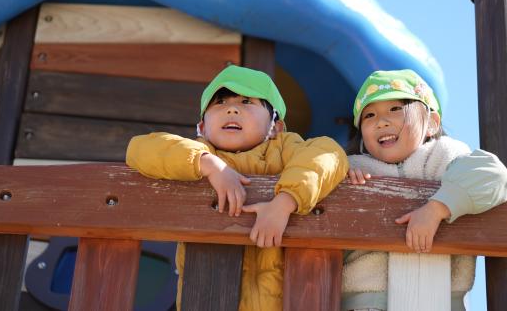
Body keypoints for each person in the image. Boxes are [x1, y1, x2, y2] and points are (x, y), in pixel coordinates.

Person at [126, 65, 348, 311]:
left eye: (246, 101)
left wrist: (285, 202)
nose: (231, 109)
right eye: (220, 102)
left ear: (275, 127)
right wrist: (210, 165)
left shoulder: (284, 149)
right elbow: (139, 148)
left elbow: (329, 152)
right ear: (202, 128)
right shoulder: (201, 153)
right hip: (209, 297)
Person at [341, 69, 507, 311]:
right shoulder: (353, 169)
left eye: (395, 109)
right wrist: (342, 184)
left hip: (442, 299)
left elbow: (494, 175)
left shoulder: (446, 158)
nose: (381, 121)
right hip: (367, 302)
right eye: (369, 115)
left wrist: (437, 208)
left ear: (431, 123)